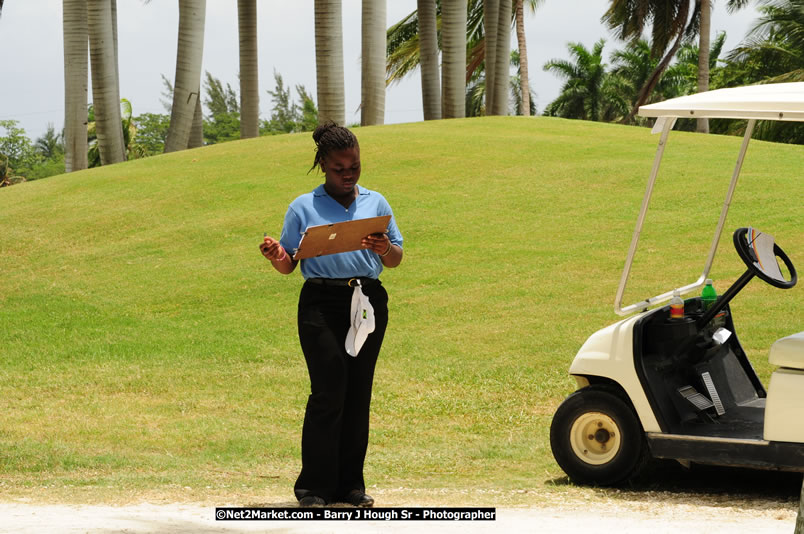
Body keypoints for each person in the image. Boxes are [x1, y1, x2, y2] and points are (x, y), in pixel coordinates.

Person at [260, 122, 403, 508]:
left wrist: (384, 246)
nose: (348, 174)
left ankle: (350, 487)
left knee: (358, 393)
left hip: (368, 302)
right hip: (320, 304)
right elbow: (289, 264)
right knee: (330, 391)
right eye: (340, 168)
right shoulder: (302, 207)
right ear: (323, 164)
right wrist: (278, 256)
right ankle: (314, 488)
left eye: (354, 166)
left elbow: (395, 259)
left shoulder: (377, 202)